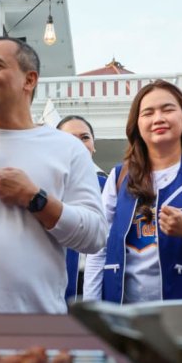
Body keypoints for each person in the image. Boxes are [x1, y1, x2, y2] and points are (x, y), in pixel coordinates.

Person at [0, 37, 106, 313]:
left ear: (29, 80)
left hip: (39, 326)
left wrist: (36, 199)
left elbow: (95, 235)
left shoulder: (66, 148)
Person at [84, 80, 182, 303]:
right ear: (136, 124)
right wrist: (92, 308)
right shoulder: (119, 177)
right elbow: (99, 248)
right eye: (148, 113)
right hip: (123, 315)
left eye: (168, 109)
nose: (158, 119)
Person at [56, 114, 107, 302]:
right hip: (57, 283)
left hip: (100, 282)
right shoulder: (46, 189)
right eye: (69, 138)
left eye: (85, 137)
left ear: (94, 145)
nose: (78, 144)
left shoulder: (111, 187)